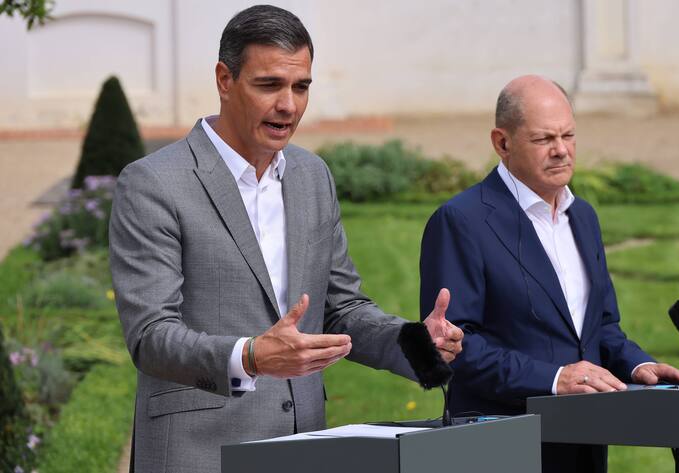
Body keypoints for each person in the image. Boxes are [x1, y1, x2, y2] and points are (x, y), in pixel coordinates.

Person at [109, 6, 463, 473]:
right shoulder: (153, 183)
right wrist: (251, 357)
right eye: (269, 84)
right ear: (224, 79)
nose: (288, 105)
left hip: (303, 445)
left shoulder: (312, 175)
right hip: (197, 454)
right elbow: (151, 336)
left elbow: (341, 309)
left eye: (301, 87)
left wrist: (419, 344)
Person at [418, 75, 679, 473]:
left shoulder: (583, 216)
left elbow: (601, 329)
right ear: (502, 143)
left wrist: (641, 367)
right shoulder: (461, 221)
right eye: (544, 140)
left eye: (568, 136)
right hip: (503, 446)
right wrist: (554, 379)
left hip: (586, 444)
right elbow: (455, 347)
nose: (561, 151)